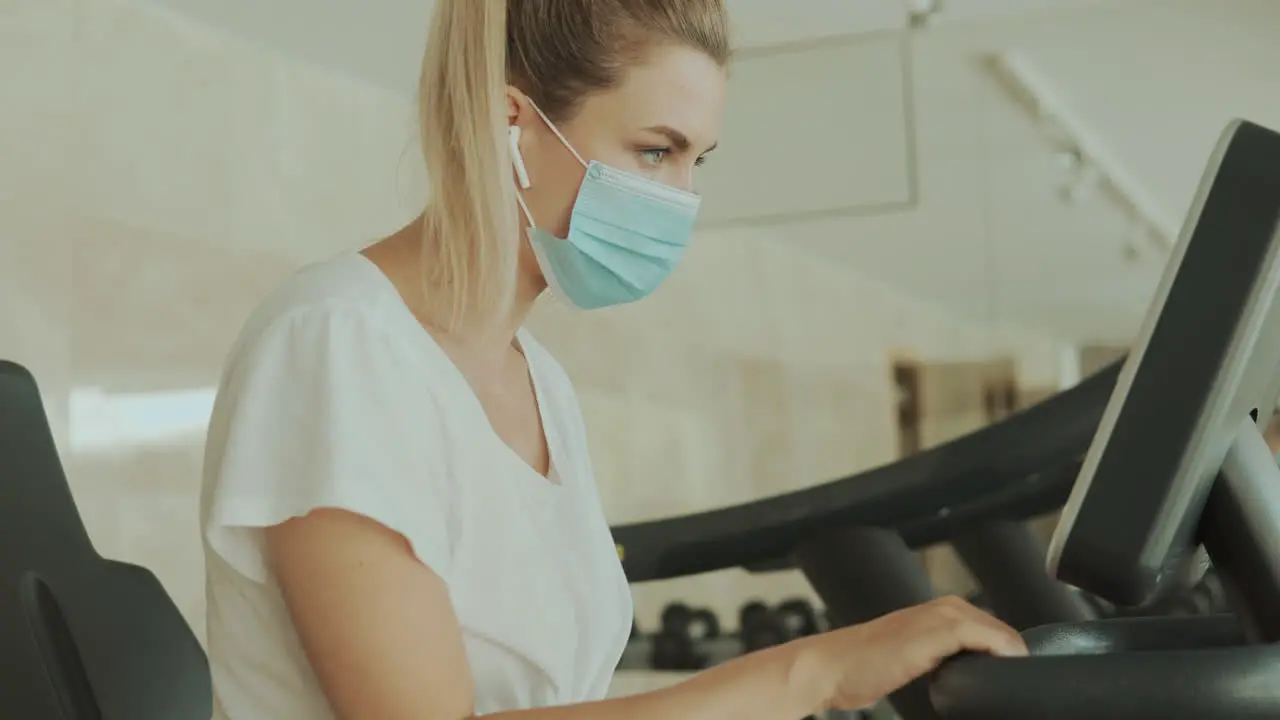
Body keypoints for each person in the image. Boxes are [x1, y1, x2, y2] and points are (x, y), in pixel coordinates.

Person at [198, 1, 1028, 718]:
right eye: (655, 151)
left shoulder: (542, 385)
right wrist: (819, 670)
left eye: (697, 162)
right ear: (510, 123)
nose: (681, 201)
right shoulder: (340, 343)